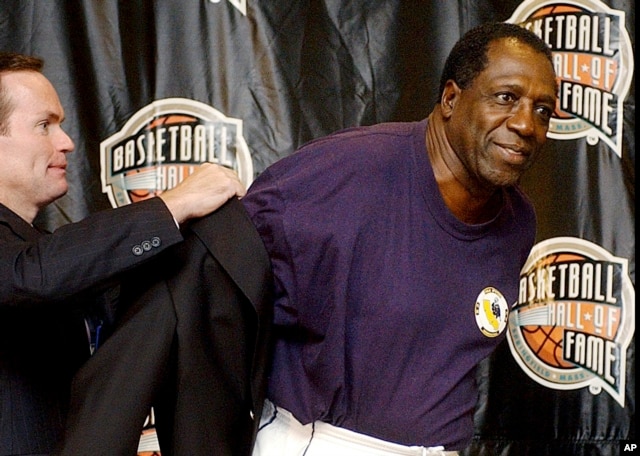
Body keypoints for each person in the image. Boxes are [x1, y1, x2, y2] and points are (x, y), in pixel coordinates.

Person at [240, 22, 558, 456]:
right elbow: (222, 282)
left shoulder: (517, 220)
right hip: (317, 442)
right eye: (506, 98)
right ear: (451, 99)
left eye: (543, 110)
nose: (525, 124)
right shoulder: (344, 173)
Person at [0, 51, 245, 455]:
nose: (67, 142)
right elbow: (32, 276)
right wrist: (171, 206)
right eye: (44, 125)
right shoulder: (33, 265)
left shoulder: (41, 249)